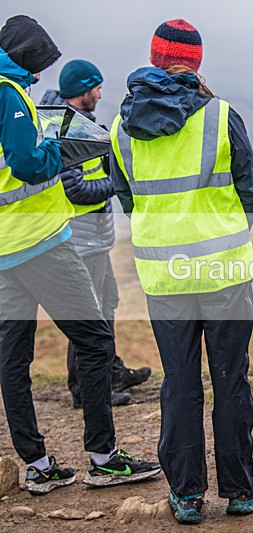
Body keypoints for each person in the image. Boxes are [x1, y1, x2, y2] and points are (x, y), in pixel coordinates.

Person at [109, 19, 253, 525]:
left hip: (164, 278)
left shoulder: (120, 127)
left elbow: (128, 199)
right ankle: (240, 489)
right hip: (223, 273)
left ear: (155, 59)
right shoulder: (221, 115)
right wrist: (228, 232)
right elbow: (251, 187)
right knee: (230, 380)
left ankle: (186, 495)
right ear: (195, 62)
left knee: (180, 383)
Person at [0, 14, 161, 495]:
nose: (43, 75)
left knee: (13, 360)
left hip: (4, 249)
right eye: (41, 63)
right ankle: (104, 457)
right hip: (40, 243)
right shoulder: (8, 92)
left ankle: (36, 464)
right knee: (94, 341)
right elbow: (30, 164)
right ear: (28, 55)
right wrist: (54, 144)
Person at [39, 59, 152, 409]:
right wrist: (118, 184)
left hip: (94, 239)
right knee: (87, 315)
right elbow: (75, 189)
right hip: (79, 239)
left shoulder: (82, 124)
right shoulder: (65, 130)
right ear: (83, 91)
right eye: (97, 88)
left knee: (106, 305)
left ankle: (111, 371)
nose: (101, 94)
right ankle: (86, 390)